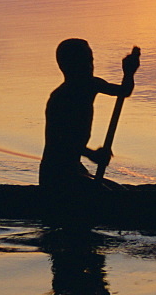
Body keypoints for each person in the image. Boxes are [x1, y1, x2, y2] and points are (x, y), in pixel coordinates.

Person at [39, 38, 140, 192]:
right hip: (56, 173)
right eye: (84, 62)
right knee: (110, 196)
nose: (90, 66)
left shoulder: (92, 84)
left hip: (75, 167)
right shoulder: (60, 98)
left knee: (121, 191)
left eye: (90, 61)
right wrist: (92, 154)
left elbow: (124, 91)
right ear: (68, 66)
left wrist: (129, 72)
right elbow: (61, 141)